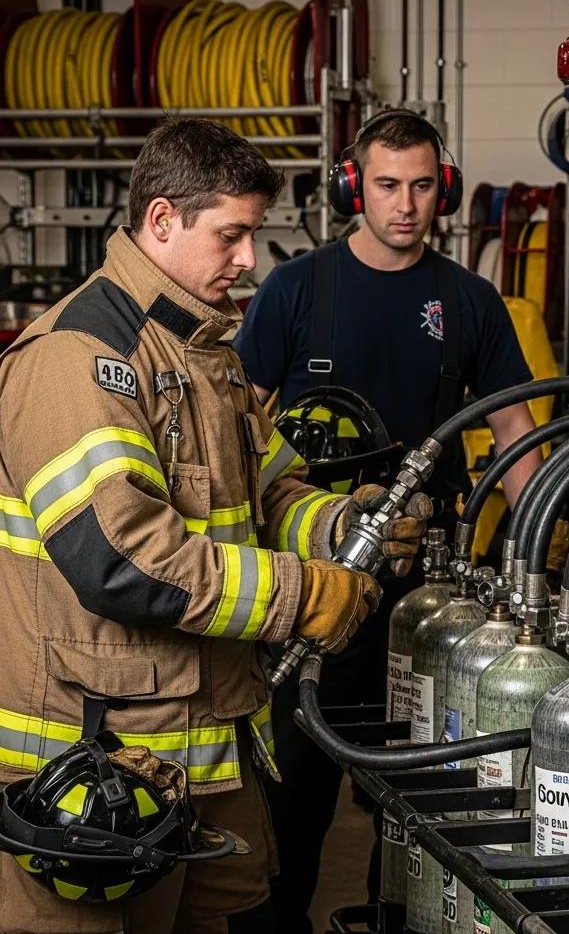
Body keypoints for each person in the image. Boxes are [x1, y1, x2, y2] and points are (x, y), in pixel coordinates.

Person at [0, 118, 429, 934]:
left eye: (253, 235)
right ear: (162, 220)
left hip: (203, 751)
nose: (247, 259)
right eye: (231, 236)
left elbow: (272, 494)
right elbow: (120, 559)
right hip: (96, 773)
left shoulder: (208, 356)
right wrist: (303, 594)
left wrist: (342, 523)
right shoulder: (77, 358)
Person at [233, 109, 546, 932]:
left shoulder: (469, 301)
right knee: (291, 793)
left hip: (423, 592)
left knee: (414, 796)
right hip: (313, 581)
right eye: (386, 185)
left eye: (421, 186)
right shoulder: (296, 290)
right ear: (354, 186)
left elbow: (515, 434)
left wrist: (546, 564)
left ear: (443, 188)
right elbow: (236, 427)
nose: (405, 205)